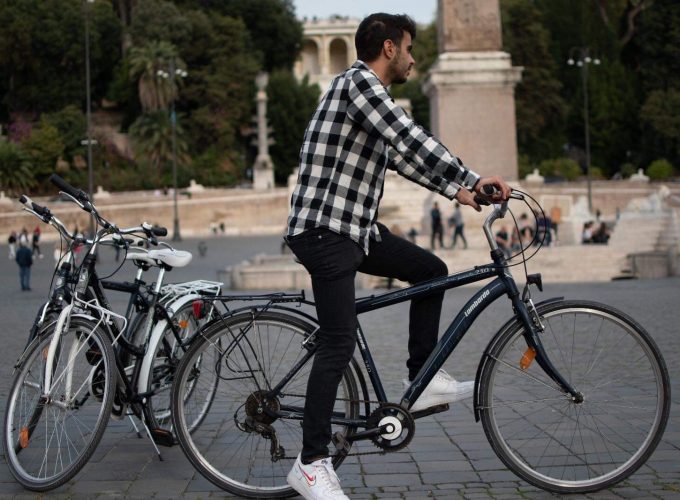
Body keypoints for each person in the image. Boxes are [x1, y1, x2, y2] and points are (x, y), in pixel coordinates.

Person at [283, 13, 511, 500]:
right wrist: (472, 177)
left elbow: (402, 158)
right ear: (388, 49)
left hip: (354, 230)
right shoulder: (359, 85)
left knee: (432, 271)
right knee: (339, 341)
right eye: (409, 49)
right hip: (325, 232)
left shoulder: (368, 96)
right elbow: (409, 137)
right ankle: (310, 463)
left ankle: (422, 376)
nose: (413, 59)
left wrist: (458, 191)